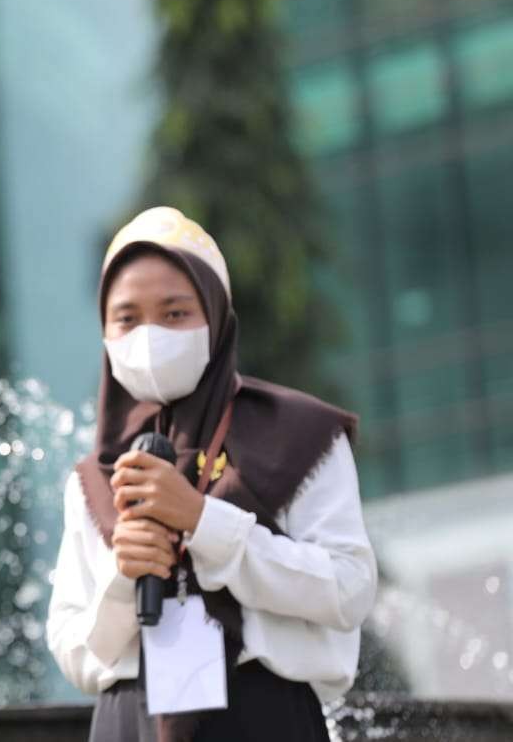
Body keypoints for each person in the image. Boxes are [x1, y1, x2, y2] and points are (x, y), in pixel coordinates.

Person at [46, 207, 377, 742]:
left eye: (175, 314)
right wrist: (123, 579)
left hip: (264, 714)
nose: (149, 336)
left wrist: (204, 522)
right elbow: (71, 647)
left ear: (217, 315)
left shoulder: (300, 436)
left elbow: (349, 589)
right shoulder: (95, 476)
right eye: (127, 318)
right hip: (128, 721)